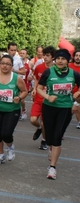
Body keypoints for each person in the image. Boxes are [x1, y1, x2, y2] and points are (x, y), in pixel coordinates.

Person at [37, 49, 80, 180]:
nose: (60, 61)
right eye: (58, 58)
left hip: (65, 108)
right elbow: (38, 88)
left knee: (57, 136)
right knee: (49, 136)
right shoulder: (48, 72)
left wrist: (78, 95)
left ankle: (52, 168)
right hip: (49, 107)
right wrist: (47, 96)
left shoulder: (74, 74)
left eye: (63, 59)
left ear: (68, 61)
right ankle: (50, 146)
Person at [30, 46, 55, 150]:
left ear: (53, 57)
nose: (45, 57)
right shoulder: (39, 67)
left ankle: (44, 140)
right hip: (38, 98)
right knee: (33, 120)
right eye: (44, 55)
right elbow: (36, 79)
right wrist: (34, 89)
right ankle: (39, 128)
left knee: (45, 122)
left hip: (48, 100)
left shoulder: (55, 69)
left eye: (48, 56)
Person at [68, 49, 80, 129]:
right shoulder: (68, 66)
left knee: (76, 109)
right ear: (74, 56)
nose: (78, 57)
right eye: (76, 55)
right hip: (68, 93)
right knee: (70, 111)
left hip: (78, 94)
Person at [18, 48, 31, 120]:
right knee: (17, 98)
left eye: (23, 53)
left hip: (25, 83)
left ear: (26, 55)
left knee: (21, 99)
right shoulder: (16, 62)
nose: (22, 54)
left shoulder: (29, 63)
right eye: (21, 53)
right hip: (17, 82)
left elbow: (34, 72)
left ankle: (23, 110)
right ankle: (18, 112)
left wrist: (31, 76)